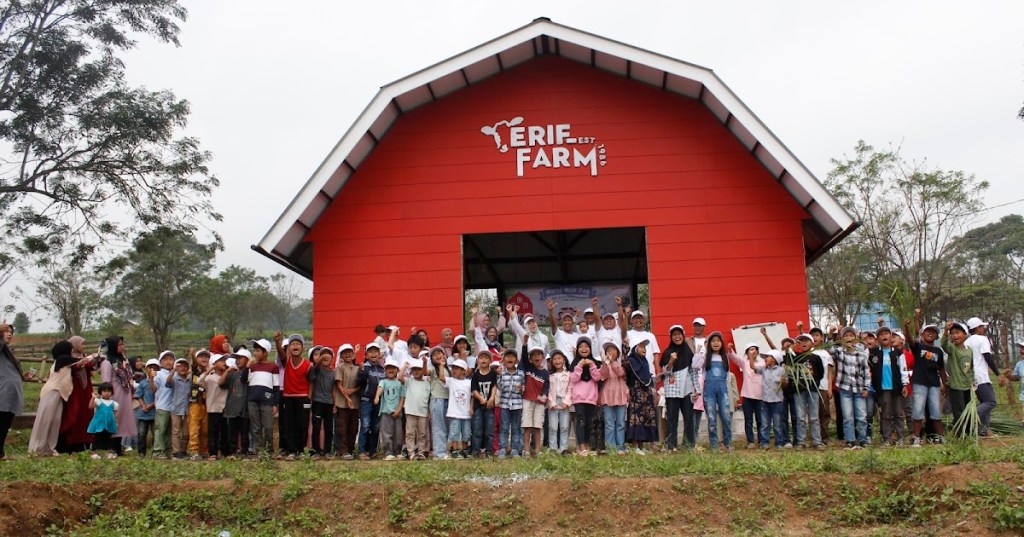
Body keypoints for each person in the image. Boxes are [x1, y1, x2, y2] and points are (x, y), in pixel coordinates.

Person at [904, 310, 947, 446]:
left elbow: (941, 369)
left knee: (935, 411)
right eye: (928, 331)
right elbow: (910, 339)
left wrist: (944, 385)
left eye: (933, 332)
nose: (931, 333)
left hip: (934, 384)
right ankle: (916, 437)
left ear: (936, 336)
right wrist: (907, 326)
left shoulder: (938, 351)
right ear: (922, 334)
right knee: (918, 410)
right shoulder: (918, 347)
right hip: (919, 383)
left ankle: (940, 437)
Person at [28, 341, 76, 456]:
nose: (72, 351)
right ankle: (37, 448)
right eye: (71, 349)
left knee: (55, 421)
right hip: (51, 392)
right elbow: (79, 361)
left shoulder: (61, 361)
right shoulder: (63, 359)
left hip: (58, 393)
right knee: (45, 420)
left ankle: (49, 447)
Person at [692, 332, 735, 451]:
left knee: (726, 417)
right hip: (709, 389)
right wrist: (698, 352)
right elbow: (695, 366)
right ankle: (714, 445)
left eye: (718, 340)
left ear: (722, 343)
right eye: (713, 341)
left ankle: (728, 443)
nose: (716, 343)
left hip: (722, 389)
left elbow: (727, 376)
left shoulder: (725, 357)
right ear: (709, 344)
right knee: (711, 418)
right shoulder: (706, 357)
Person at [868, 328, 909, 446]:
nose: (884, 336)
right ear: (877, 339)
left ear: (891, 336)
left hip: (896, 387)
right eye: (880, 334)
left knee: (899, 413)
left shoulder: (898, 353)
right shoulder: (873, 353)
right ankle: (887, 437)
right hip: (882, 388)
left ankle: (901, 437)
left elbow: (904, 369)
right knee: (886, 414)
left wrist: (905, 384)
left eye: (886, 333)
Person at [832, 327, 870, 449]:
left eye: (851, 335)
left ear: (855, 338)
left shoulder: (862, 355)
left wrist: (866, 388)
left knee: (861, 416)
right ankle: (850, 440)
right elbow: (830, 349)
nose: (848, 337)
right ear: (842, 339)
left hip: (859, 389)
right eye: (846, 335)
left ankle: (863, 439)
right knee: (847, 416)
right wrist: (832, 335)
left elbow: (866, 373)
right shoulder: (840, 352)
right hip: (845, 389)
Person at [59, 336, 98, 454]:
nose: (83, 346)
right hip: (75, 391)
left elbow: (91, 366)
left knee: (87, 414)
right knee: (74, 414)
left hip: (86, 391)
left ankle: (85, 441)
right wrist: (86, 360)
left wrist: (94, 359)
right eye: (82, 344)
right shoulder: (69, 359)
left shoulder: (83, 357)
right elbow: (75, 367)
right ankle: (71, 442)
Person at [100, 336, 137, 456]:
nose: (122, 347)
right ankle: (111, 447)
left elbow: (129, 376)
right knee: (113, 420)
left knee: (122, 420)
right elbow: (106, 380)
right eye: (119, 345)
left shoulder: (123, 360)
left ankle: (118, 447)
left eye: (122, 344)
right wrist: (107, 396)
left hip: (124, 393)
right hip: (114, 394)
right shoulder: (107, 362)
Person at [787, 333, 825, 449]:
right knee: (800, 417)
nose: (803, 343)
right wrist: (791, 348)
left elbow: (821, 373)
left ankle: (817, 441)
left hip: (812, 390)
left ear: (812, 343)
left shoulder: (816, 358)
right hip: (799, 391)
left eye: (806, 341)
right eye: (801, 341)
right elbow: (789, 366)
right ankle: (801, 441)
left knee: (814, 417)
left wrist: (814, 383)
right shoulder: (796, 357)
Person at [277, 333, 311, 459]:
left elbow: (311, 381)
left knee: (303, 424)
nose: (295, 346)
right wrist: (277, 342)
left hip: (303, 398)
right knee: (289, 425)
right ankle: (291, 451)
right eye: (292, 344)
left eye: (298, 344)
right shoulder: (286, 362)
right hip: (288, 397)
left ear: (302, 348)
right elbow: (281, 354)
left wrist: (309, 397)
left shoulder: (308, 365)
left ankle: (301, 450)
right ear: (288, 349)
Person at [661, 325, 695, 451]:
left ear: (683, 335)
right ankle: (671, 445)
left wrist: (696, 390)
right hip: (672, 390)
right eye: (674, 335)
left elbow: (693, 372)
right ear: (671, 337)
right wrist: (671, 361)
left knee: (688, 418)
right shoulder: (667, 352)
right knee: (672, 419)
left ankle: (688, 444)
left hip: (686, 390)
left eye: (679, 334)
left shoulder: (688, 352)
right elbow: (665, 372)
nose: (677, 337)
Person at [965, 317, 1000, 437]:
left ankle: (984, 430)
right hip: (981, 375)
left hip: (970, 376)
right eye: (982, 327)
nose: (983, 329)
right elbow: (987, 356)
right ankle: (970, 416)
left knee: (984, 401)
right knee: (990, 402)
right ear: (977, 328)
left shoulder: (966, 342)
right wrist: (998, 374)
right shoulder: (982, 339)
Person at [244, 339, 280, 455]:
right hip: (252, 400)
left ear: (266, 352)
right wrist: (246, 368)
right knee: (255, 427)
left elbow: (276, 386)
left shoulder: (272, 367)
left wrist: (275, 403)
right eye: (255, 351)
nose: (255, 353)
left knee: (268, 427)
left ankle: (269, 451)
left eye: (258, 351)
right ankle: (260, 451)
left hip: (267, 400)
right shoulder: (252, 366)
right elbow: (243, 380)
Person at [624, 337, 658, 454]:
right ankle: (635, 446)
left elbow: (647, 376)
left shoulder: (645, 361)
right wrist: (625, 348)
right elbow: (625, 364)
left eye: (645, 347)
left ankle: (643, 445)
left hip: (646, 392)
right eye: (641, 346)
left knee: (646, 417)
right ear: (635, 348)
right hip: (636, 392)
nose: (644, 349)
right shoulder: (631, 360)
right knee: (636, 418)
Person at [941, 323, 975, 437]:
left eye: (957, 333)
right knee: (959, 412)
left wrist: (973, 381)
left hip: (967, 386)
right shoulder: (952, 349)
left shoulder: (969, 350)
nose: (954, 336)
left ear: (965, 334)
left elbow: (971, 367)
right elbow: (944, 344)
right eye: (952, 333)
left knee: (968, 411)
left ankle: (968, 432)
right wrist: (946, 330)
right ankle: (959, 434)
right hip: (956, 386)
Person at [518, 343, 551, 457]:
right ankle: (526, 450)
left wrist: (544, 396)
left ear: (543, 357)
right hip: (527, 399)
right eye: (534, 355)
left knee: (537, 426)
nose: (536, 357)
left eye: (539, 354)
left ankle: (537, 449)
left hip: (540, 402)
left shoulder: (546, 373)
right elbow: (523, 358)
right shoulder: (528, 368)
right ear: (530, 358)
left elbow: (546, 387)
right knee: (527, 426)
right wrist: (525, 344)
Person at [356, 343, 386, 460]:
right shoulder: (364, 367)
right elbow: (359, 382)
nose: (373, 354)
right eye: (370, 352)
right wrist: (362, 372)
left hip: (379, 401)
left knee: (376, 426)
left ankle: (373, 451)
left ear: (380, 355)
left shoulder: (382, 369)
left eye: (376, 352)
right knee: (365, 425)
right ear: (366, 355)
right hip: (366, 400)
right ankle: (362, 451)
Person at [732, 342, 764, 449]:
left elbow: (756, 368)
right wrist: (730, 349)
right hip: (747, 395)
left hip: (760, 396)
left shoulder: (762, 363)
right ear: (746, 352)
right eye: (750, 349)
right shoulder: (744, 363)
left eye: (754, 349)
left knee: (760, 420)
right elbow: (734, 358)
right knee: (748, 419)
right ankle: (750, 441)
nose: (753, 351)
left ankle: (761, 441)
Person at [570, 348, 601, 456]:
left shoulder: (595, 363)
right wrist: (580, 365)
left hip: (591, 398)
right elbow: (573, 379)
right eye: (581, 346)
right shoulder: (575, 363)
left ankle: (587, 447)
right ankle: (581, 447)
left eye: (586, 346)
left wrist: (592, 364)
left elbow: (597, 377)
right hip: (579, 398)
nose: (584, 349)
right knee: (581, 422)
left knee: (589, 423)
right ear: (578, 349)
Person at [439, 357, 472, 459]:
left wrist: (471, 407)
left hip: (466, 413)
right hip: (454, 412)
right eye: (453, 368)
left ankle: (465, 450)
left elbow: (472, 396)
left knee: (466, 432)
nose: (454, 370)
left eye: (457, 368)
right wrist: (441, 365)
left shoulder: (469, 382)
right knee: (455, 432)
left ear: (463, 371)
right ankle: (455, 450)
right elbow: (441, 378)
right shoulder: (451, 381)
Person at [600, 341, 629, 455]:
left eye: (613, 350)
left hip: (620, 394)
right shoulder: (604, 365)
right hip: (607, 396)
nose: (611, 352)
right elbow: (603, 375)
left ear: (618, 353)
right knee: (609, 423)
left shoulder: (619, 364)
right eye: (608, 351)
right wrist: (605, 363)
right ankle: (610, 447)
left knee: (621, 422)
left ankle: (620, 446)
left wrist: (613, 362)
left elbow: (621, 373)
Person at [333, 344, 361, 459]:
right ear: (341, 356)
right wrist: (347, 396)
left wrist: (352, 391)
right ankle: (343, 450)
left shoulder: (358, 368)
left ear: (353, 354)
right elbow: (339, 384)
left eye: (349, 352)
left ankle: (350, 449)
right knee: (342, 427)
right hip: (342, 403)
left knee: (353, 428)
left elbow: (360, 385)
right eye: (344, 353)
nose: (347, 354)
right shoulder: (340, 367)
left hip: (355, 403)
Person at [497, 348, 525, 458]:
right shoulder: (502, 373)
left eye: (512, 356)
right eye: (507, 356)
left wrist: (521, 388)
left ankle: (515, 449)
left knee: (516, 427)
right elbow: (499, 387)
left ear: (516, 360)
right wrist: (499, 376)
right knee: (504, 427)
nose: (510, 358)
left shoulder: (521, 374)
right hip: (504, 404)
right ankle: (502, 448)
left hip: (517, 404)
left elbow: (524, 388)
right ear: (503, 360)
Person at [375, 357, 406, 461]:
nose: (391, 370)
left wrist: (399, 410)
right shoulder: (383, 381)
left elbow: (402, 397)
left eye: (393, 368)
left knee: (398, 434)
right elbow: (380, 389)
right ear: (385, 370)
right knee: (386, 432)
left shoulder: (400, 384)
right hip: (386, 411)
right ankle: (388, 452)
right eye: (388, 368)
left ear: (397, 370)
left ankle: (398, 452)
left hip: (397, 412)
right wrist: (377, 396)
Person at [402, 352, 432, 460]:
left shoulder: (427, 383)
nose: (416, 372)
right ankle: (411, 452)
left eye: (419, 369)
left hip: (423, 411)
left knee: (422, 433)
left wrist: (428, 411)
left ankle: (421, 452)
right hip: (410, 411)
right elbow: (400, 377)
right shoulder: (409, 381)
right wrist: (404, 367)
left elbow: (428, 398)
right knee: (410, 433)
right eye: (414, 370)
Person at [200, 354, 230, 460]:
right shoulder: (210, 378)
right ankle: (213, 453)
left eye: (224, 360)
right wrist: (209, 370)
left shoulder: (228, 376)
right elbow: (200, 381)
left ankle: (225, 452)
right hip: (212, 408)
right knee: (213, 432)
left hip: (224, 408)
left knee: (224, 432)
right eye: (220, 361)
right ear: (214, 364)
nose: (224, 363)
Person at [756, 350, 787, 449]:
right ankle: (764, 442)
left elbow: (786, 383)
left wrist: (783, 382)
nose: (765, 359)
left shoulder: (781, 370)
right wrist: (751, 358)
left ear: (774, 359)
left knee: (777, 423)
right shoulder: (764, 370)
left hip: (777, 401)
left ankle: (779, 442)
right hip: (765, 400)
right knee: (765, 423)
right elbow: (753, 368)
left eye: (768, 357)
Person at [222, 350, 250, 458]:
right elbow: (221, 382)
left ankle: (244, 452)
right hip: (232, 407)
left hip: (245, 408)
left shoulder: (250, 373)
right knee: (232, 432)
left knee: (244, 432)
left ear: (247, 360)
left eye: (241, 358)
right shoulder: (232, 374)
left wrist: (248, 367)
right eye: (236, 358)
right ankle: (232, 452)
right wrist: (228, 371)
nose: (238, 360)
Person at [309, 347, 336, 457]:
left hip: (329, 403)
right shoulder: (316, 370)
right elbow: (315, 368)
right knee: (316, 427)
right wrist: (320, 359)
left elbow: (334, 389)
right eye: (323, 354)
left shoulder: (334, 373)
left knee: (329, 428)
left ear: (332, 358)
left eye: (328, 354)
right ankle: (315, 451)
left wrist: (335, 404)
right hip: (317, 402)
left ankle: (327, 451)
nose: (325, 356)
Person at [470, 349, 497, 458]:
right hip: (478, 407)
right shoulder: (475, 375)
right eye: (481, 358)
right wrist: (480, 398)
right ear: (477, 361)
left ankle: (489, 451)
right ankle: (475, 450)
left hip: (489, 407)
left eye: (486, 358)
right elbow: (474, 390)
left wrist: (491, 398)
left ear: (490, 361)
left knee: (489, 429)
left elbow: (494, 386)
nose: (483, 360)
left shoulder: (493, 374)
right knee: (477, 429)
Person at [132, 359, 160, 457]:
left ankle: (156, 451)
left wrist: (152, 405)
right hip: (143, 413)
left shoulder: (159, 382)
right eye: (150, 367)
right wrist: (143, 405)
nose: (152, 370)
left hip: (155, 412)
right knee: (142, 433)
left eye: (155, 368)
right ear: (146, 369)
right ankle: (141, 452)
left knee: (156, 434)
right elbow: (138, 395)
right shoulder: (143, 383)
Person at [546, 349, 572, 454]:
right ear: (552, 362)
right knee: (552, 426)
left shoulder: (568, 374)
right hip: (553, 401)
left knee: (564, 426)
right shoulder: (549, 375)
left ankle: (563, 448)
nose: (557, 361)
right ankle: (553, 448)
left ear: (564, 360)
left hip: (564, 401)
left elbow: (570, 388)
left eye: (559, 358)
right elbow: (547, 389)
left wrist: (566, 402)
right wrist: (551, 402)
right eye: (555, 359)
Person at [151, 350, 176, 459]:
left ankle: (168, 451)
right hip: (162, 406)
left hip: (174, 407)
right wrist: (151, 379)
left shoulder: (176, 373)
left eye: (171, 359)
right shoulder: (159, 374)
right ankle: (157, 452)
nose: (168, 362)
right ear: (160, 362)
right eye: (165, 359)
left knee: (170, 431)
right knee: (160, 430)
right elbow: (153, 389)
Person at [166, 357, 192, 459]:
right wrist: (173, 370)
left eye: (185, 366)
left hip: (186, 409)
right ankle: (176, 451)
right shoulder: (175, 379)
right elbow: (168, 382)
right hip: (175, 408)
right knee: (175, 431)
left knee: (186, 432)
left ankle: (183, 450)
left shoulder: (190, 380)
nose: (183, 368)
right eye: (180, 366)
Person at [187, 348, 211, 460]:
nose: (204, 358)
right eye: (201, 356)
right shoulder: (195, 370)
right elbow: (194, 363)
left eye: (206, 356)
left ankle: (203, 450)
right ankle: (194, 450)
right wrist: (193, 355)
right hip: (195, 402)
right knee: (194, 427)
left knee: (205, 428)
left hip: (207, 403)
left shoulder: (212, 370)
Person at [428, 345, 451, 460]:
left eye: (440, 353)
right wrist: (423, 362)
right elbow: (425, 371)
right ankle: (439, 453)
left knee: (447, 426)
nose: (438, 355)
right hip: (437, 399)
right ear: (431, 359)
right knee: (438, 426)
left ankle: (445, 451)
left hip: (448, 399)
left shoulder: (448, 369)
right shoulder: (432, 369)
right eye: (434, 354)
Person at [87, 382, 120, 459]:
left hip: (109, 424)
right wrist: (93, 398)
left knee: (109, 438)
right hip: (99, 423)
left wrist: (116, 422)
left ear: (111, 392)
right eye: (104, 391)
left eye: (108, 391)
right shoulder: (98, 401)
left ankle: (109, 453)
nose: (106, 393)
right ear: (100, 392)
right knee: (97, 437)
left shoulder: (114, 403)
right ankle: (93, 452)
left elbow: (116, 414)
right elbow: (90, 406)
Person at [1003, 343, 1024, 425]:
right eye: (1021, 348)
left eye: (1023, 348)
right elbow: (1016, 378)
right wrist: (1008, 376)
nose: (1022, 350)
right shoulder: (1019, 364)